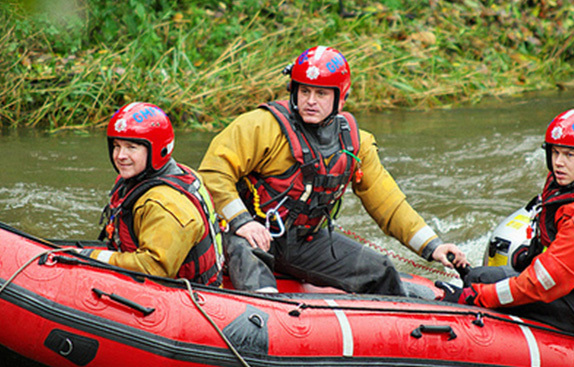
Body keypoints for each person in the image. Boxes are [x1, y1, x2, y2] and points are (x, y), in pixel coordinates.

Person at [197, 45, 468, 296]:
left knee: (380, 270)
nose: (310, 101)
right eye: (304, 91)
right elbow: (213, 173)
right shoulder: (261, 126)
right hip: (246, 233)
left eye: (321, 93)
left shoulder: (355, 143)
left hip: (304, 241)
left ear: (341, 98)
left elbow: (389, 204)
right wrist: (243, 221)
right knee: (249, 254)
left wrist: (433, 247)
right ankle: (265, 315)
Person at [457, 108, 574, 338]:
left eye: (569, 155)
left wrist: (483, 296)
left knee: (479, 282)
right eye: (555, 152)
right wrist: (529, 256)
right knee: (480, 277)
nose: (558, 163)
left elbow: (543, 282)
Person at [82, 102, 224, 286]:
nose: (120, 155)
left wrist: (93, 257)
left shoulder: (165, 205)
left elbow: (154, 269)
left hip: (188, 298)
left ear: (158, 149)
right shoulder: (149, 177)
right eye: (116, 146)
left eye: (131, 147)